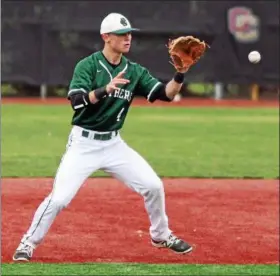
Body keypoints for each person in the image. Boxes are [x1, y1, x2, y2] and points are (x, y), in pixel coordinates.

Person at [13, 13, 193, 262]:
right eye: (122, 34)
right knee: (59, 199)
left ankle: (161, 235)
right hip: (83, 144)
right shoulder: (87, 66)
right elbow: (76, 101)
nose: (128, 38)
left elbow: (165, 94)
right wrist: (104, 90)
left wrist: (180, 74)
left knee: (153, 186)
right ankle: (27, 243)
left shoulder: (134, 70)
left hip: (113, 144)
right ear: (106, 37)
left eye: (130, 33)